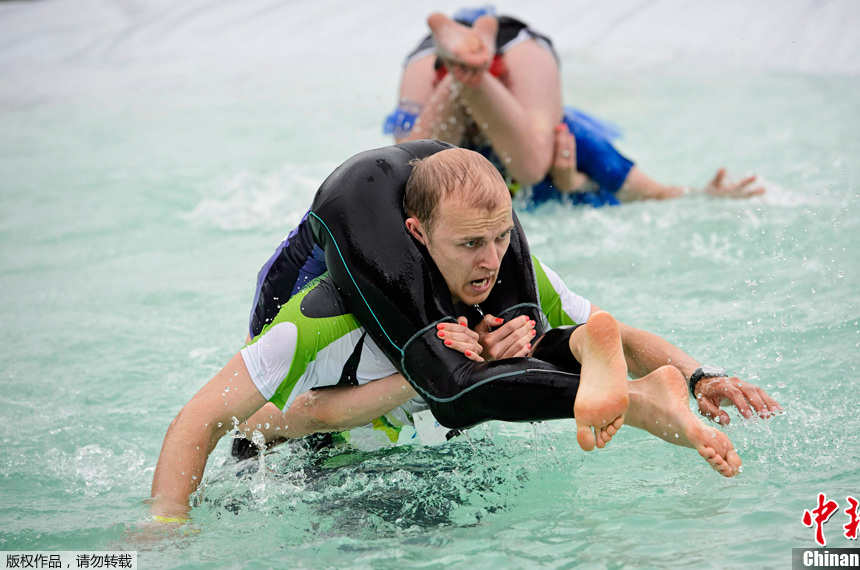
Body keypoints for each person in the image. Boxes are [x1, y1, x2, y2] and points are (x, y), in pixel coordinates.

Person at [150, 144, 777, 525]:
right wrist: (164, 532)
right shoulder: (322, 317)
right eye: (471, 243)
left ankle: (640, 393)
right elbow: (221, 422)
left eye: (502, 238)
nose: (491, 260)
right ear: (418, 235)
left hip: (416, 466)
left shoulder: (503, 275)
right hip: (305, 475)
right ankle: (638, 402)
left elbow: (622, 333)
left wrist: (701, 376)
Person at [385, 9, 764, 207]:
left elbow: (653, 194)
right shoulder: (556, 138)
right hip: (453, 61)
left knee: (415, 175)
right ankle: (466, 66)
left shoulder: (564, 138)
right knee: (419, 180)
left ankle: (462, 63)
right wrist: (571, 188)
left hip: (491, 53)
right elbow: (649, 195)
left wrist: (571, 185)